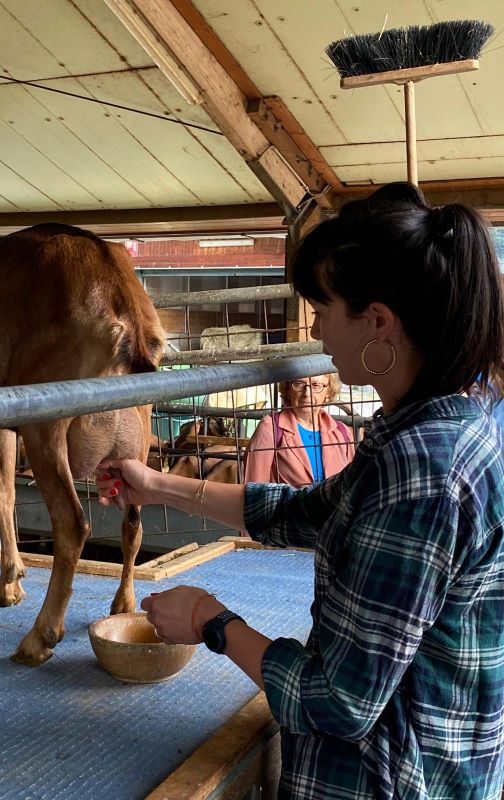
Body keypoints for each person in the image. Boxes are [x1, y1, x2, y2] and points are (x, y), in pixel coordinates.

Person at [96, 182, 504, 800]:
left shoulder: (423, 474)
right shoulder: (435, 424)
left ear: (378, 324)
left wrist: (211, 620)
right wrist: (154, 485)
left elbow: (338, 703)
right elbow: (308, 511)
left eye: (324, 304)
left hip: (389, 780)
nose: (315, 327)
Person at [244, 373, 354, 487]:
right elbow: (254, 490)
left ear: (328, 392)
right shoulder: (270, 427)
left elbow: (352, 486)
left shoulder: (342, 432)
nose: (307, 394)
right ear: (288, 390)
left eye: (316, 385)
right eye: (299, 384)